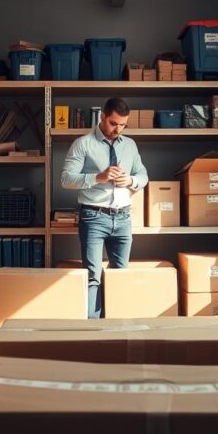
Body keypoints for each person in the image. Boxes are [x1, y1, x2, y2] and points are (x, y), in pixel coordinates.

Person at [60, 97, 148, 318]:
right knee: (93, 276)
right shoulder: (83, 144)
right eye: (113, 123)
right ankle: (93, 331)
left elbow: (143, 175)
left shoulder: (130, 145)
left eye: (123, 125)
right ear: (102, 117)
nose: (117, 129)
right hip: (93, 217)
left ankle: (117, 327)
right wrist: (99, 177)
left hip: (123, 218)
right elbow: (66, 179)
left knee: (121, 275)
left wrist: (130, 181)